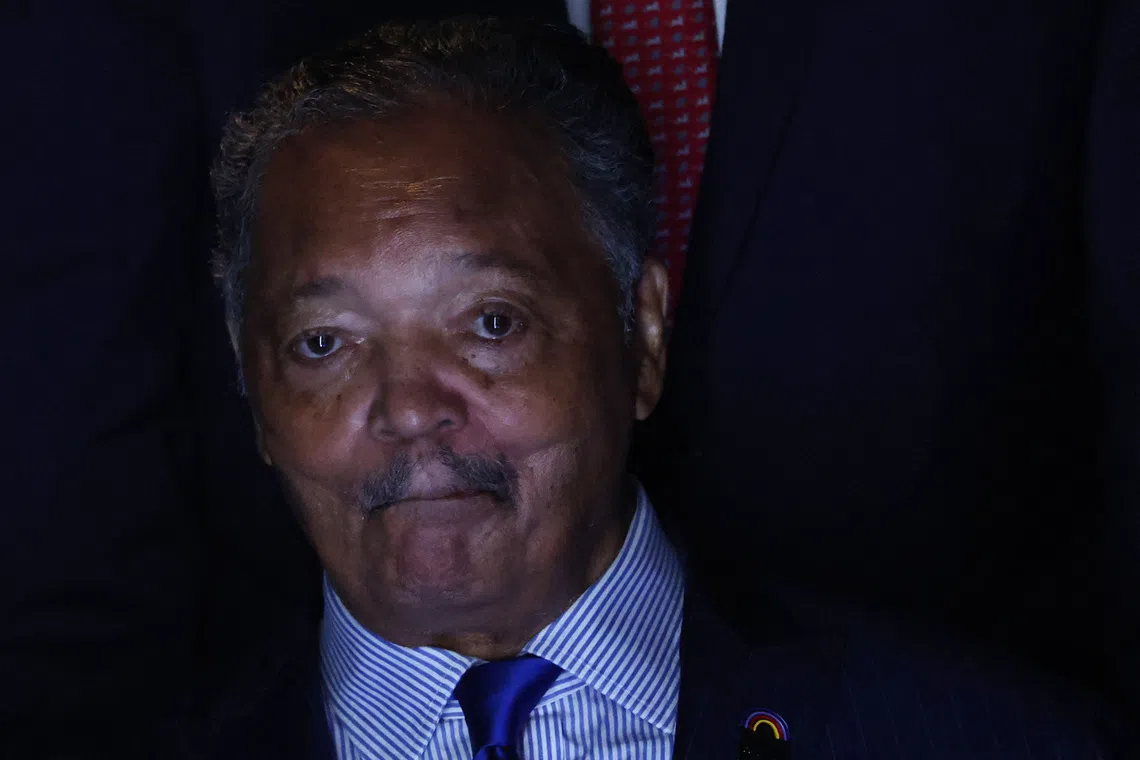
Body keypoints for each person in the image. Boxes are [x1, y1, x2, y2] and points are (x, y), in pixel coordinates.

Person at [179, 18, 1115, 759]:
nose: (411, 408)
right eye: (322, 343)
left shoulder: (989, 738)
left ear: (645, 336)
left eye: (491, 323)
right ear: (250, 386)